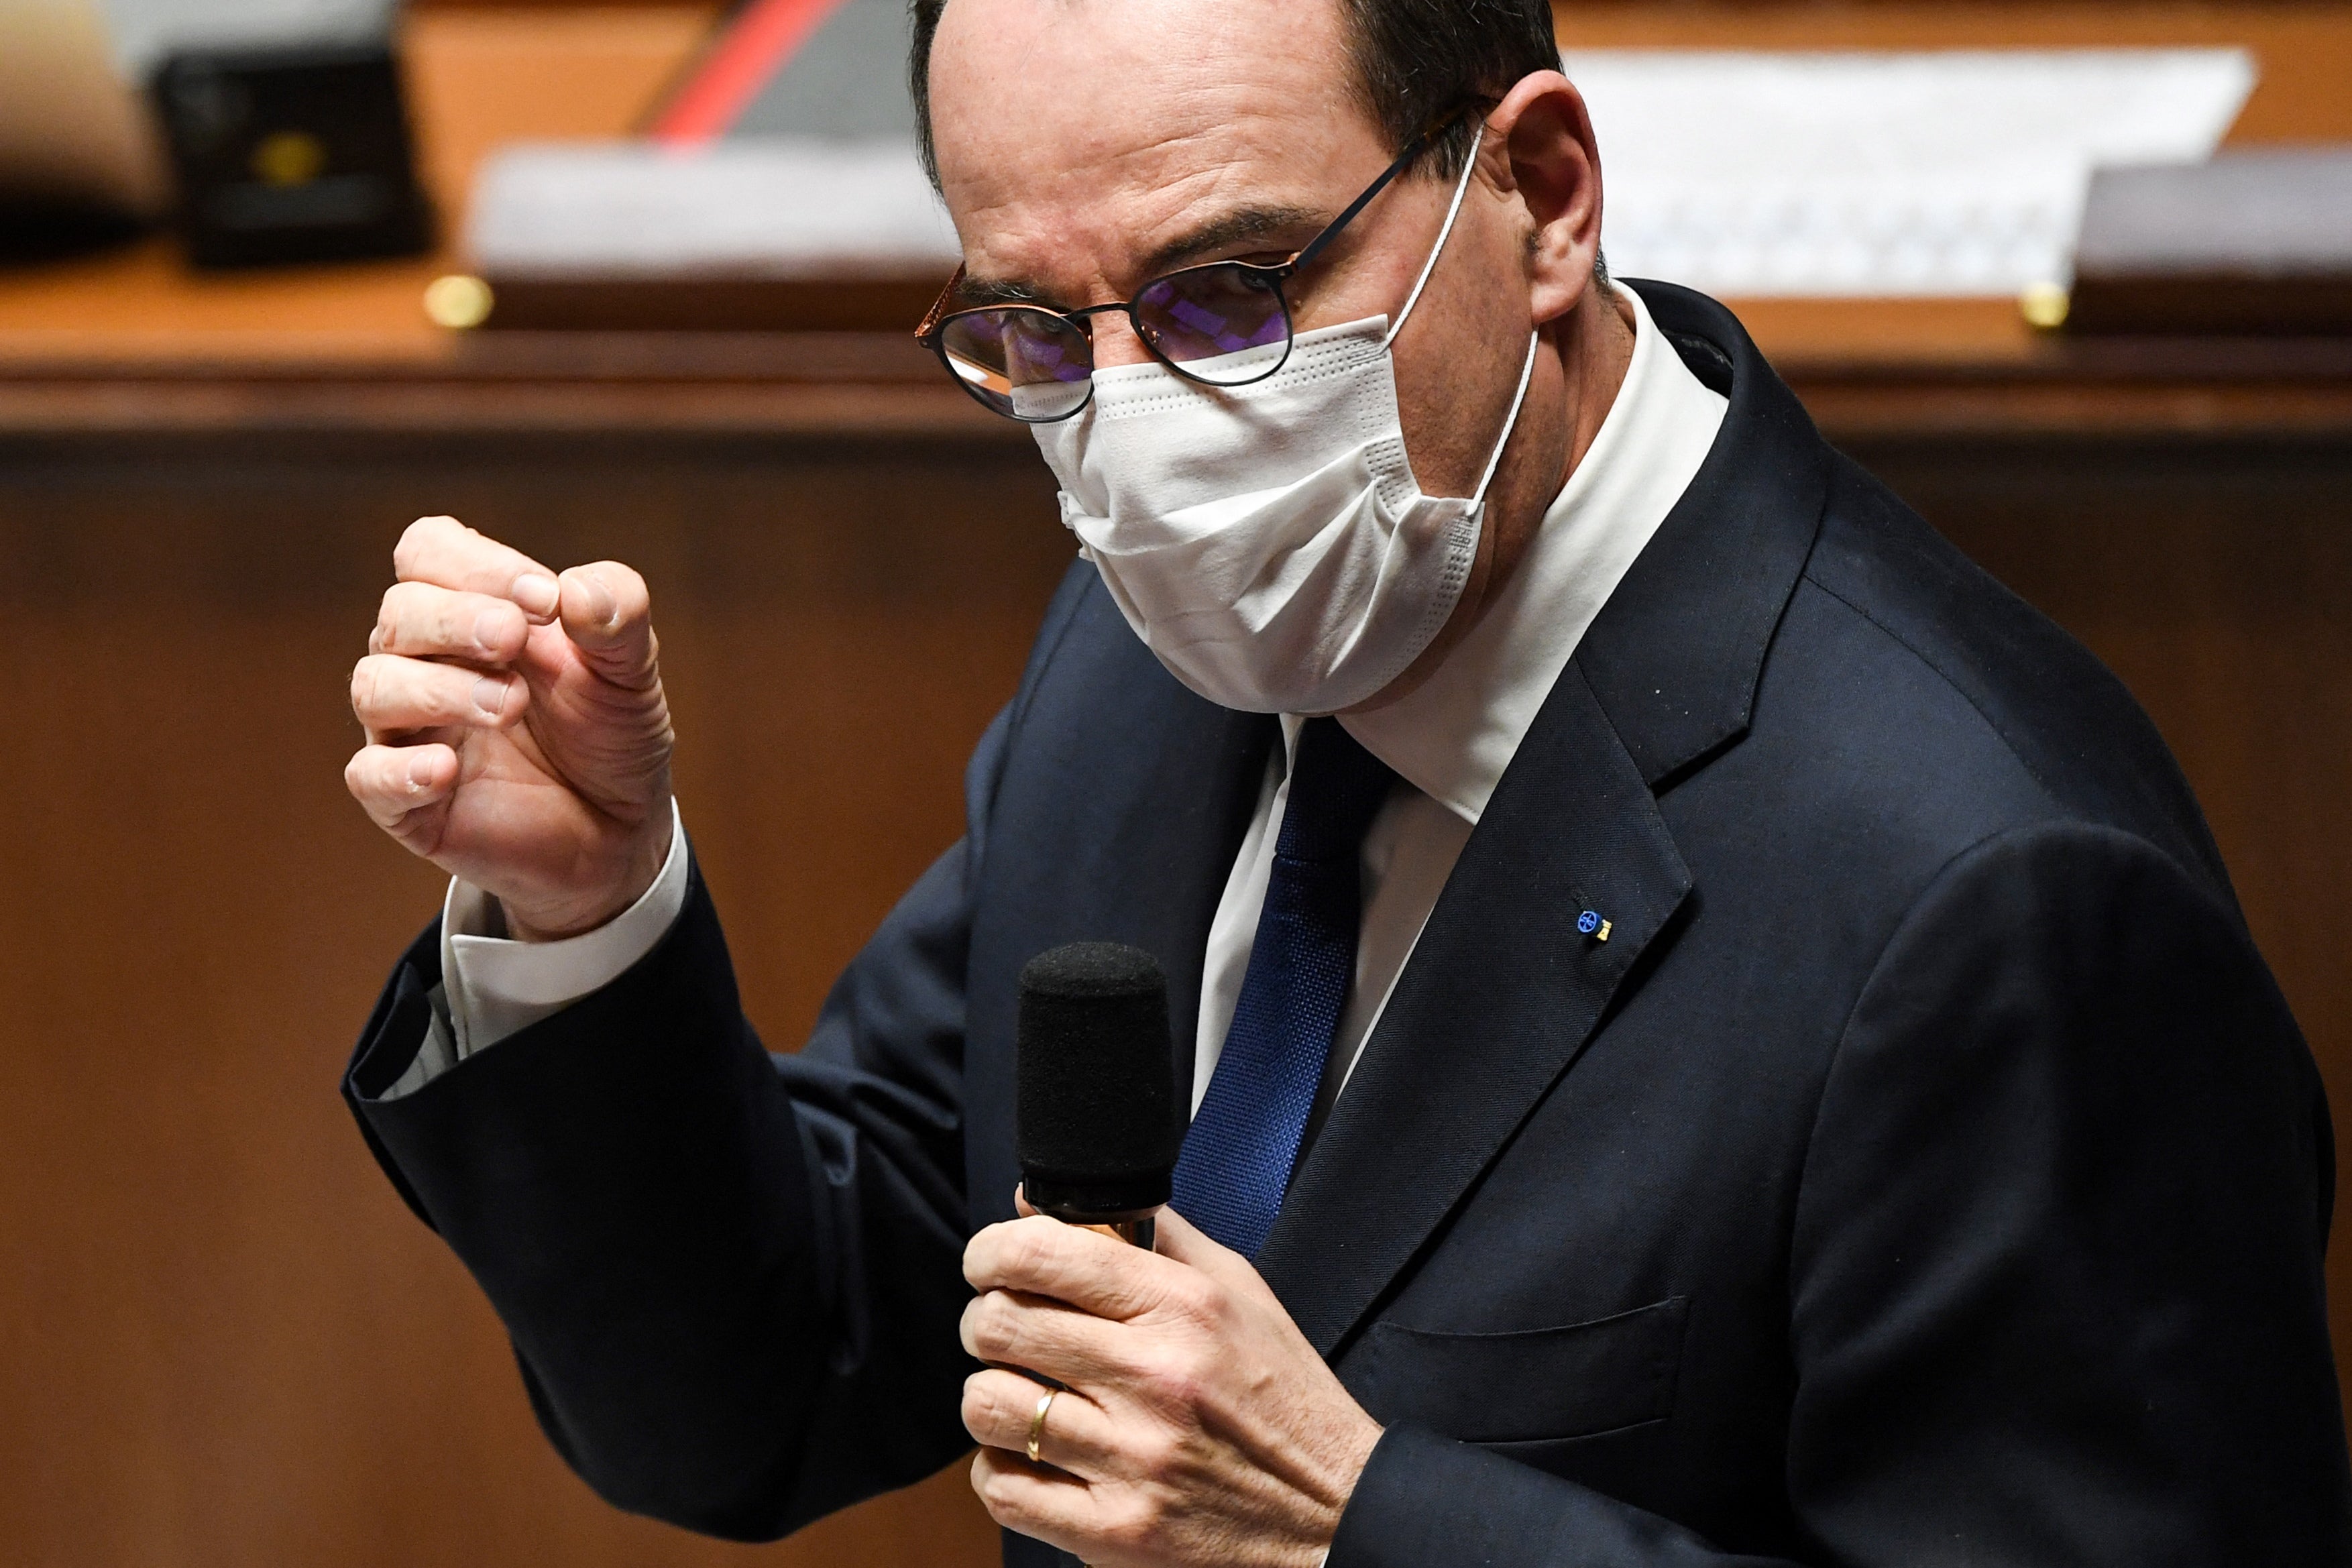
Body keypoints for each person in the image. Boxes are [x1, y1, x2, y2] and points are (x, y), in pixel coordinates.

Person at [337, 1, 2352, 1564]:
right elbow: (773, 1381)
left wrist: (1349, 1525)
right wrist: (580, 916)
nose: (1140, 441)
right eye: (1036, 331)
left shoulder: (1995, 896)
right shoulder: (1167, 633)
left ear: (1540, 196)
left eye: (1231, 291)